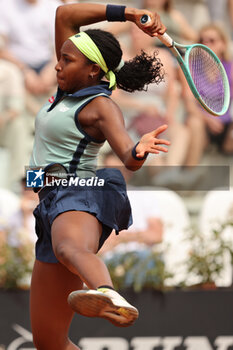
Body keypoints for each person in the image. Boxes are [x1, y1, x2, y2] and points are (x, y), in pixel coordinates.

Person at [29, 3, 169, 350]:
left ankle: (106, 293)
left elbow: (127, 156)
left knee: (69, 247)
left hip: (79, 191)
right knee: (49, 342)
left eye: (67, 60)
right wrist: (130, 13)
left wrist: (139, 150)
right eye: (61, 57)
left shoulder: (101, 105)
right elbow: (64, 15)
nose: (58, 64)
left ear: (93, 70)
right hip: (49, 202)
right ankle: (101, 291)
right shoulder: (67, 86)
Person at [184, 23, 233, 166]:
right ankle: (189, 175)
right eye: (202, 40)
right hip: (202, 123)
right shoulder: (190, 67)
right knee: (194, 122)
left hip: (226, 124)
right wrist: (208, 120)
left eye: (212, 40)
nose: (206, 44)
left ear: (223, 44)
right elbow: (189, 104)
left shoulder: (230, 67)